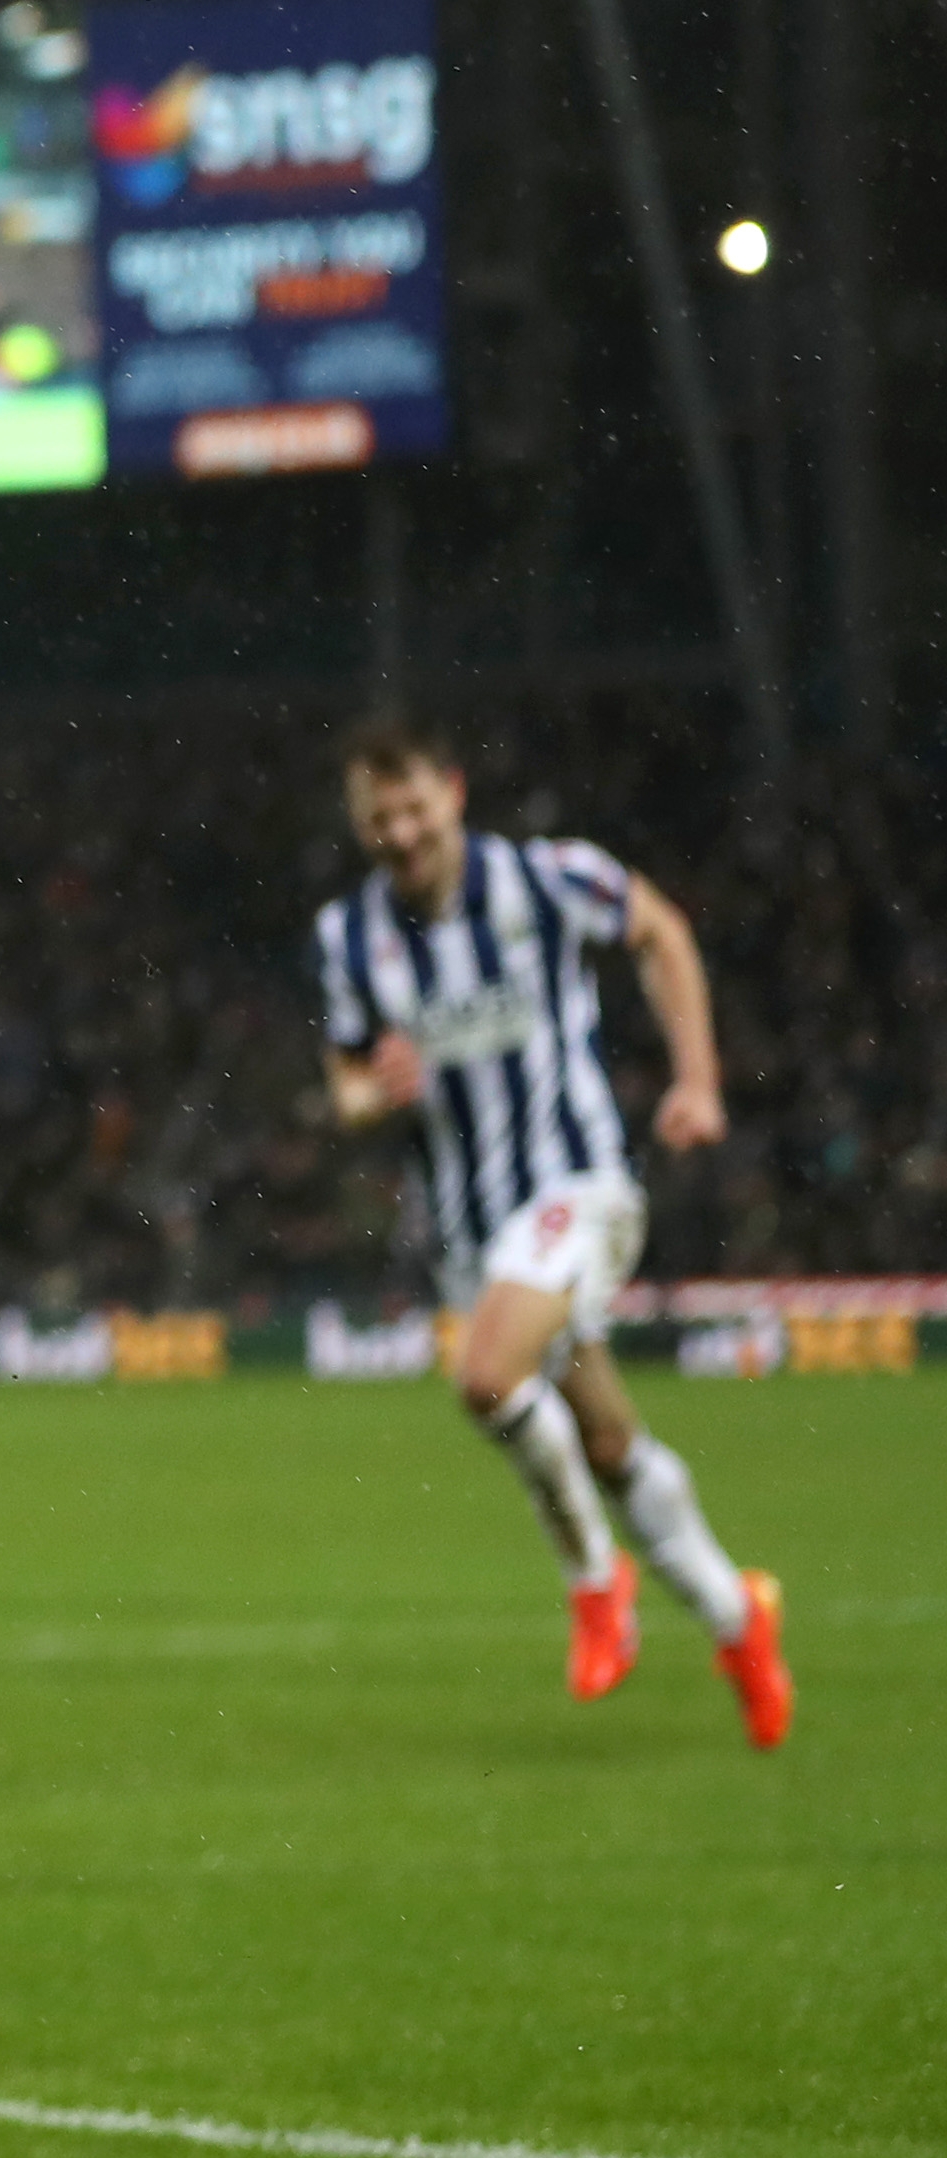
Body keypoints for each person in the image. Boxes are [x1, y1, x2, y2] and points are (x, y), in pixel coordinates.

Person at [316, 720, 790, 1749]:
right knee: (608, 1441)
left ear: (452, 790)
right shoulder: (348, 936)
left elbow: (659, 931)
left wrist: (696, 1077)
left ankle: (592, 1582)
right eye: (375, 817)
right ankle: (733, 1615)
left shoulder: (545, 879)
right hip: (470, 1229)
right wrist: (369, 1094)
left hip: (577, 1186)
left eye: (411, 806)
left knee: (485, 1377)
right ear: (357, 823)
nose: (397, 831)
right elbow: (346, 1075)